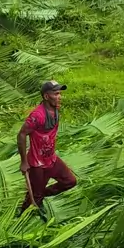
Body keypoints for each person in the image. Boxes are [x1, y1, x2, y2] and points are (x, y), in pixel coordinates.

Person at [18, 80, 77, 215]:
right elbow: (21, 134)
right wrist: (23, 162)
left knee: (70, 181)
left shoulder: (55, 109)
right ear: (46, 96)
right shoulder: (37, 116)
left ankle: (39, 194)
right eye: (56, 94)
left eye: (60, 93)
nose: (59, 97)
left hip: (51, 158)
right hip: (37, 163)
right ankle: (21, 216)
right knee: (35, 197)